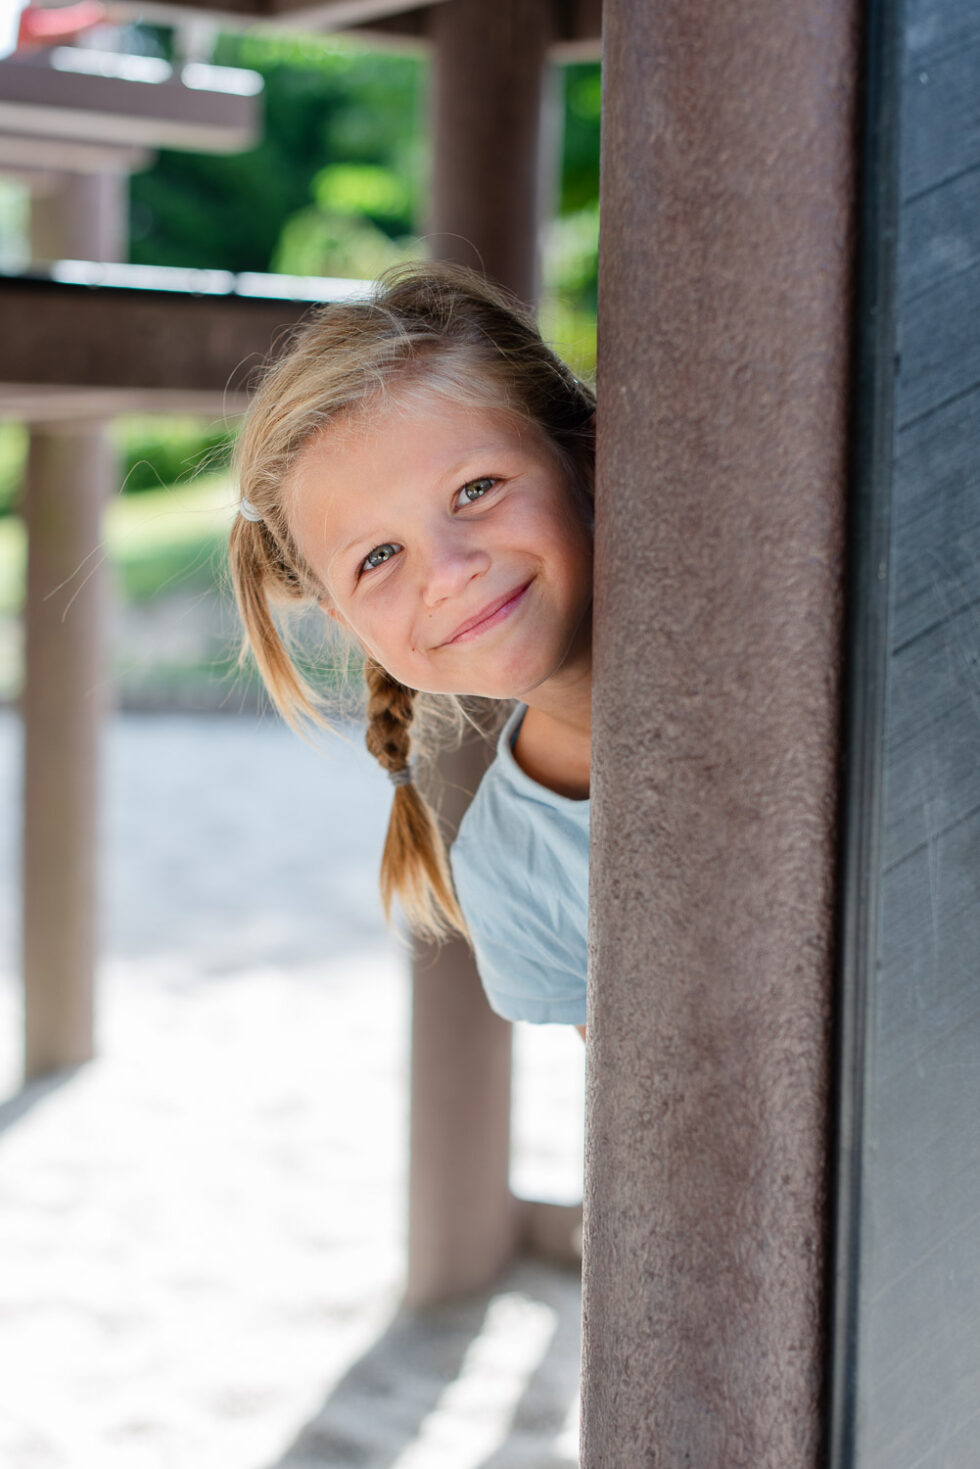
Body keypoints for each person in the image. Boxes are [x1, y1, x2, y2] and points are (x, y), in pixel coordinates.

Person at [228, 263, 593, 1034]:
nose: (450, 574)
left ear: (584, 453)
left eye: (476, 489)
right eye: (379, 556)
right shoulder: (512, 872)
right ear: (343, 618)